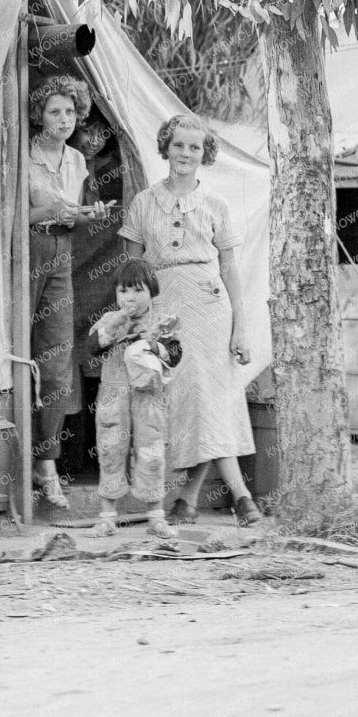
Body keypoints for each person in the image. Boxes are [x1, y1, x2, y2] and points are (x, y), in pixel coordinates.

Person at [119, 111, 261, 527]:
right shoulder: (145, 202)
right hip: (164, 311)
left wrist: (241, 325)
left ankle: (237, 498)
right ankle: (194, 499)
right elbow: (132, 271)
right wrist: (134, 321)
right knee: (187, 403)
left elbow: (231, 269)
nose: (185, 153)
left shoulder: (214, 203)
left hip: (210, 307)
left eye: (195, 147)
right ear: (165, 147)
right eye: (178, 145)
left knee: (212, 398)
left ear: (205, 154)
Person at [28, 75, 115, 509]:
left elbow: (70, 215)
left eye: (69, 112)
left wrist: (87, 214)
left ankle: (47, 464)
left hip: (60, 252)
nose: (63, 120)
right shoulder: (23, 154)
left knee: (58, 358)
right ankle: (17, 462)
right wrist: (51, 209)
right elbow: (10, 214)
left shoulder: (78, 160)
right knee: (15, 352)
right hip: (24, 251)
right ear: (38, 115)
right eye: (53, 112)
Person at [84, 260, 183, 540]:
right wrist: (112, 327)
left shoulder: (162, 323)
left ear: (152, 293)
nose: (130, 298)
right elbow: (90, 347)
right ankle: (106, 518)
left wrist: (152, 344)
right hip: (113, 397)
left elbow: (175, 355)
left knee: (151, 453)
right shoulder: (109, 321)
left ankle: (156, 517)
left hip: (148, 397)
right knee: (110, 450)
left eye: (138, 291)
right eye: (123, 291)